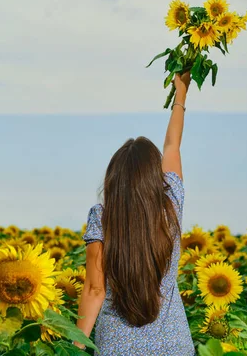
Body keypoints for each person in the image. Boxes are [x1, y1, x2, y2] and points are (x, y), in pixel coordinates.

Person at [74, 71, 195, 355]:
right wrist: (181, 94)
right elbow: (172, 146)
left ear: (114, 181)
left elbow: (94, 290)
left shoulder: (102, 218)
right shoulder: (171, 206)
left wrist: (75, 347)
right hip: (173, 346)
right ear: (154, 179)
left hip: (118, 347)